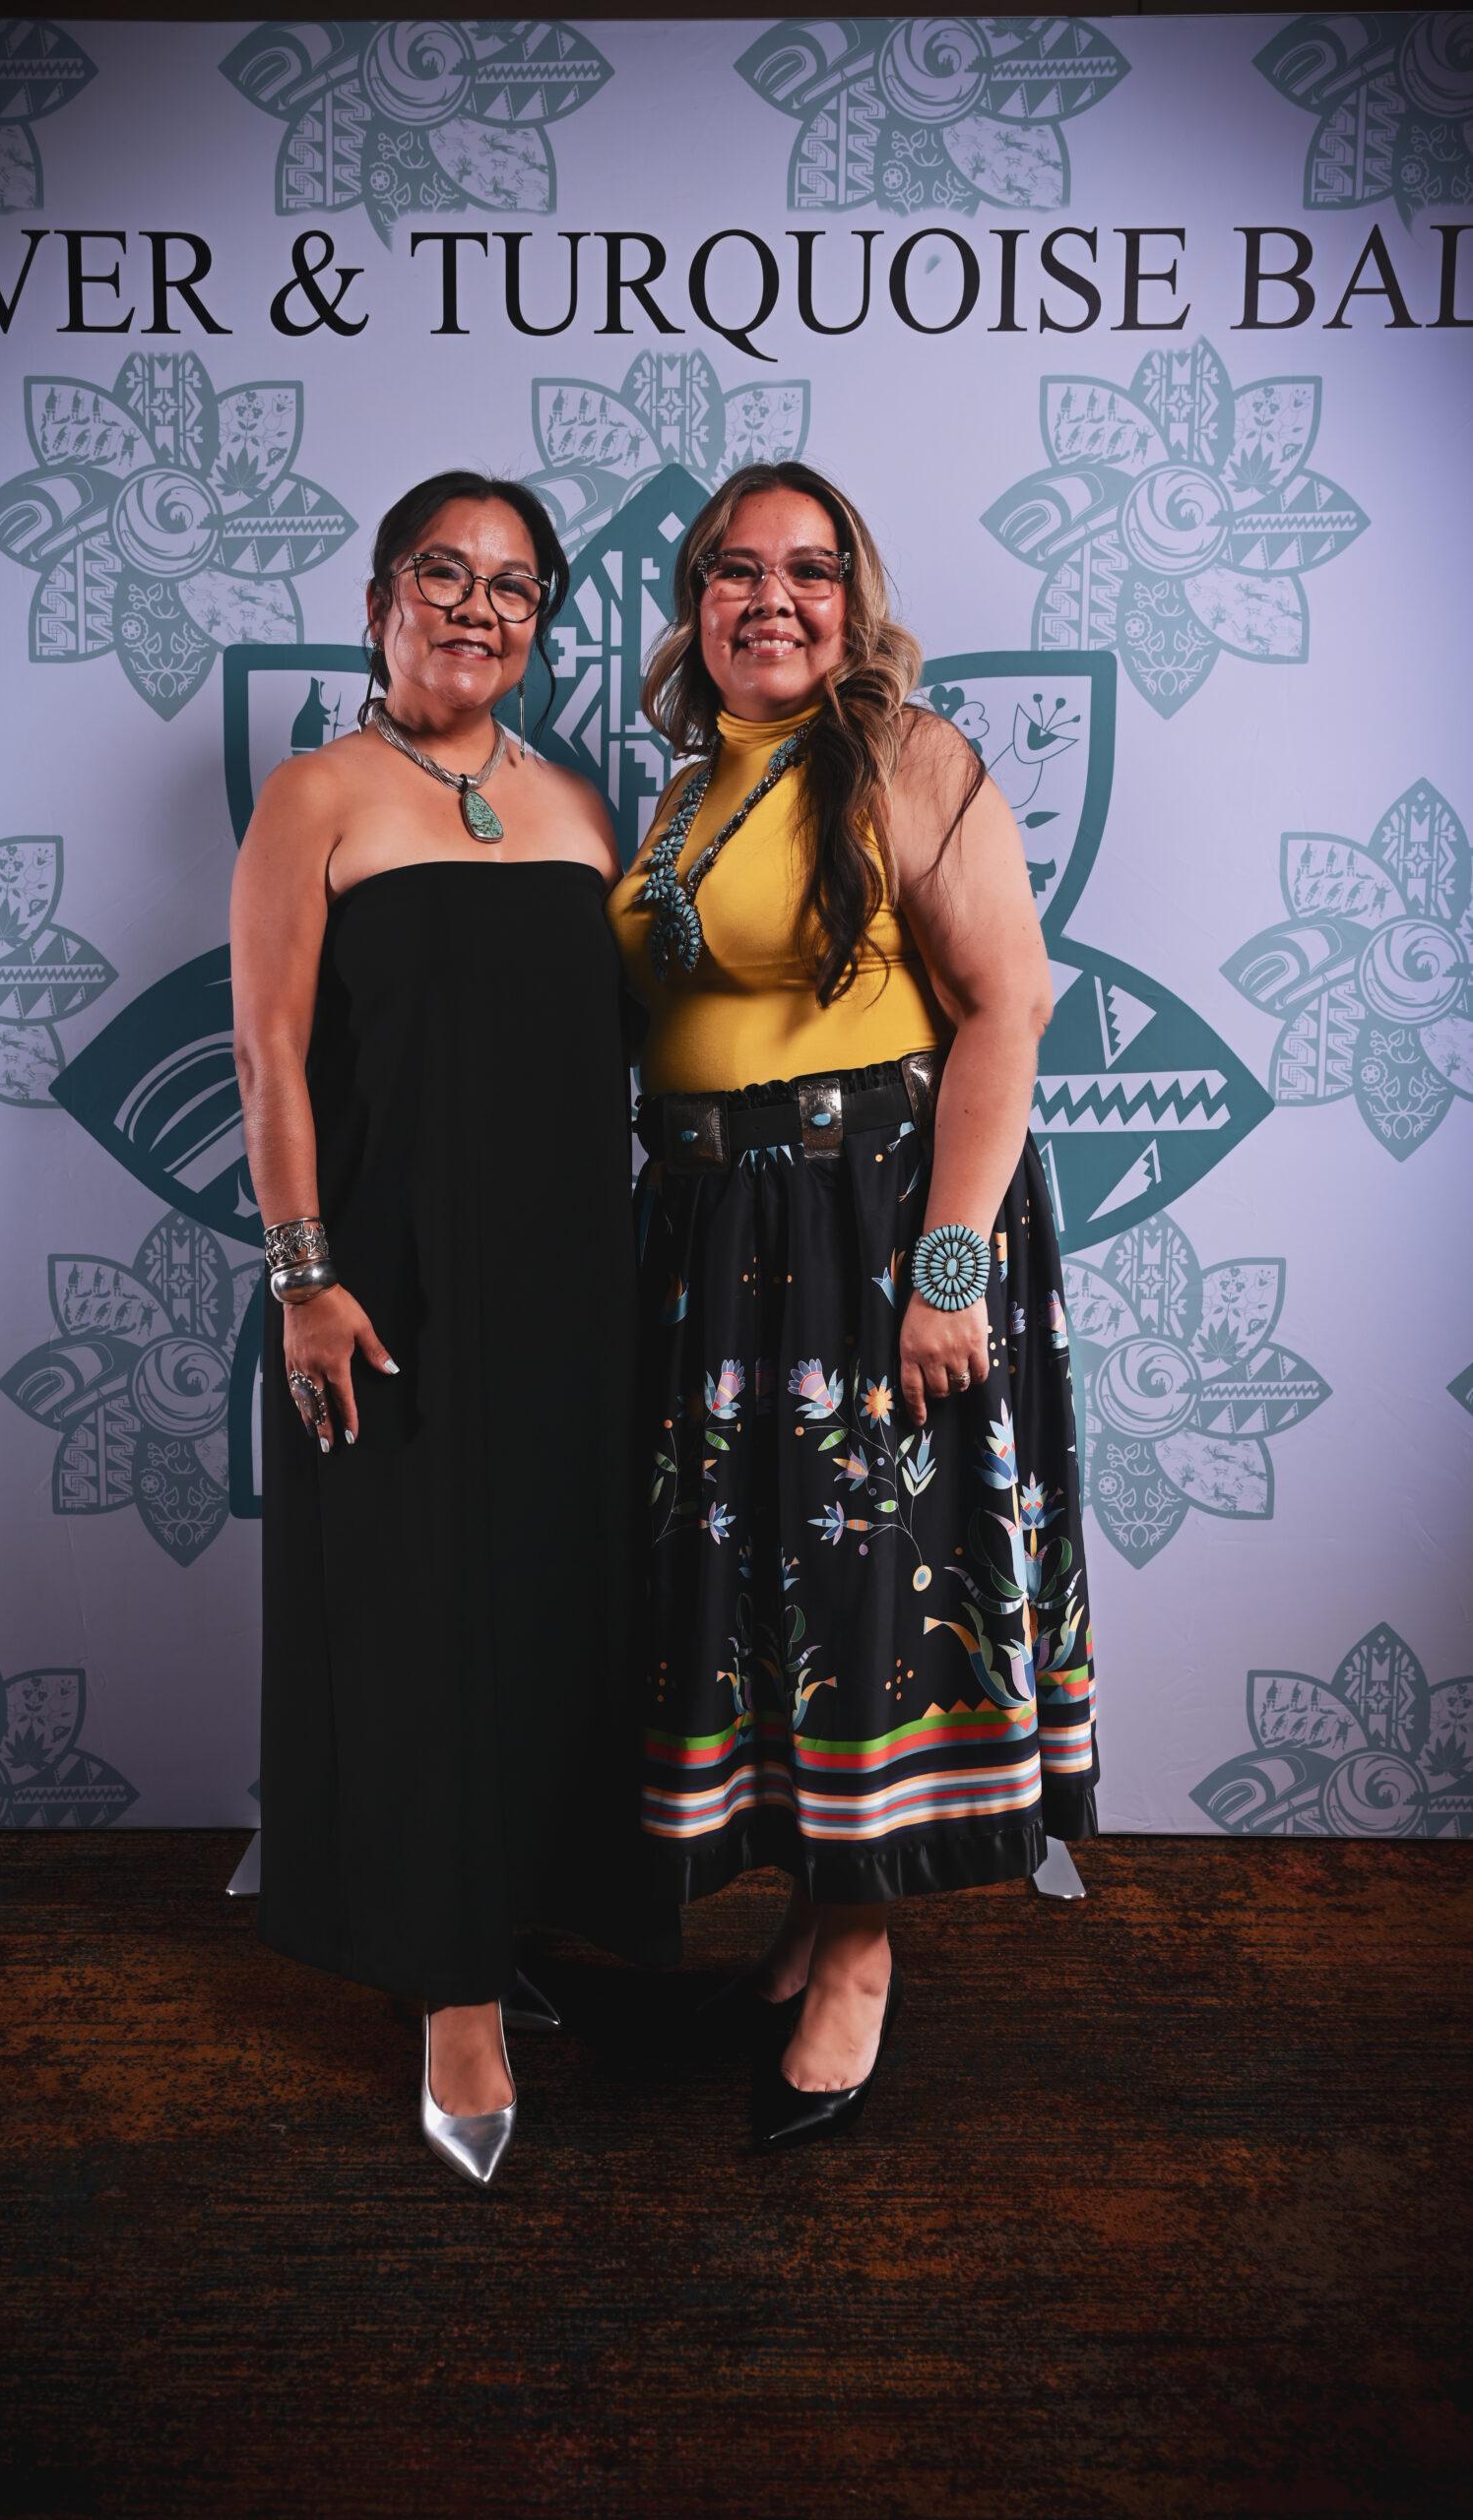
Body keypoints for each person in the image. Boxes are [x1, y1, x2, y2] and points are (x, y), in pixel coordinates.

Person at [608, 460, 1098, 2149]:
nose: (772, 600)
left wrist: (947, 1270)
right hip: (709, 1228)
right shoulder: (687, 788)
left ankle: (865, 1951)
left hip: (867, 1218)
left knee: (869, 1571)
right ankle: (814, 1912)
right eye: (734, 570)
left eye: (809, 570)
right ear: (693, 601)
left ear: (855, 599)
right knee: (771, 1579)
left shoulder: (909, 758)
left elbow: (1007, 1009)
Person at [230, 470, 672, 2188]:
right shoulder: (316, 795)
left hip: (572, 1286)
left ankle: (522, 1914)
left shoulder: (579, 807)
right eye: (444, 572)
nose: (479, 607)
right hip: (384, 1287)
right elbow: (270, 1050)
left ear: (540, 621)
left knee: (551, 1602)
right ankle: (449, 1991)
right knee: (412, 1618)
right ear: (380, 600)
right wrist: (305, 1275)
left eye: (514, 585)